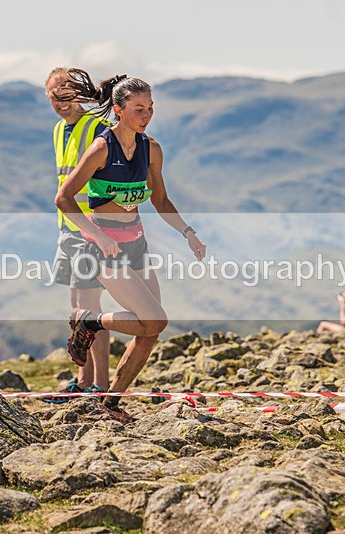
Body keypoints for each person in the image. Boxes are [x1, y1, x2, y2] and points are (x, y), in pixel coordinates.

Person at [54, 69, 206, 420]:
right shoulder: (101, 148)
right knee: (156, 320)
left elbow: (161, 201)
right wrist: (100, 236)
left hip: (136, 244)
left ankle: (109, 403)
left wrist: (188, 232)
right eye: (139, 108)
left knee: (150, 330)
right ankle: (89, 320)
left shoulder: (151, 148)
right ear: (119, 110)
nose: (146, 115)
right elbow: (63, 198)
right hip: (103, 248)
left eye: (150, 107)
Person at [44, 68, 111, 402]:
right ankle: (83, 382)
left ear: (80, 95)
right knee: (76, 306)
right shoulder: (58, 130)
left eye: (68, 95)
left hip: (92, 231)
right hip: (68, 229)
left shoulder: (97, 129)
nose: (62, 102)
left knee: (89, 309)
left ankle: (100, 386)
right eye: (56, 96)